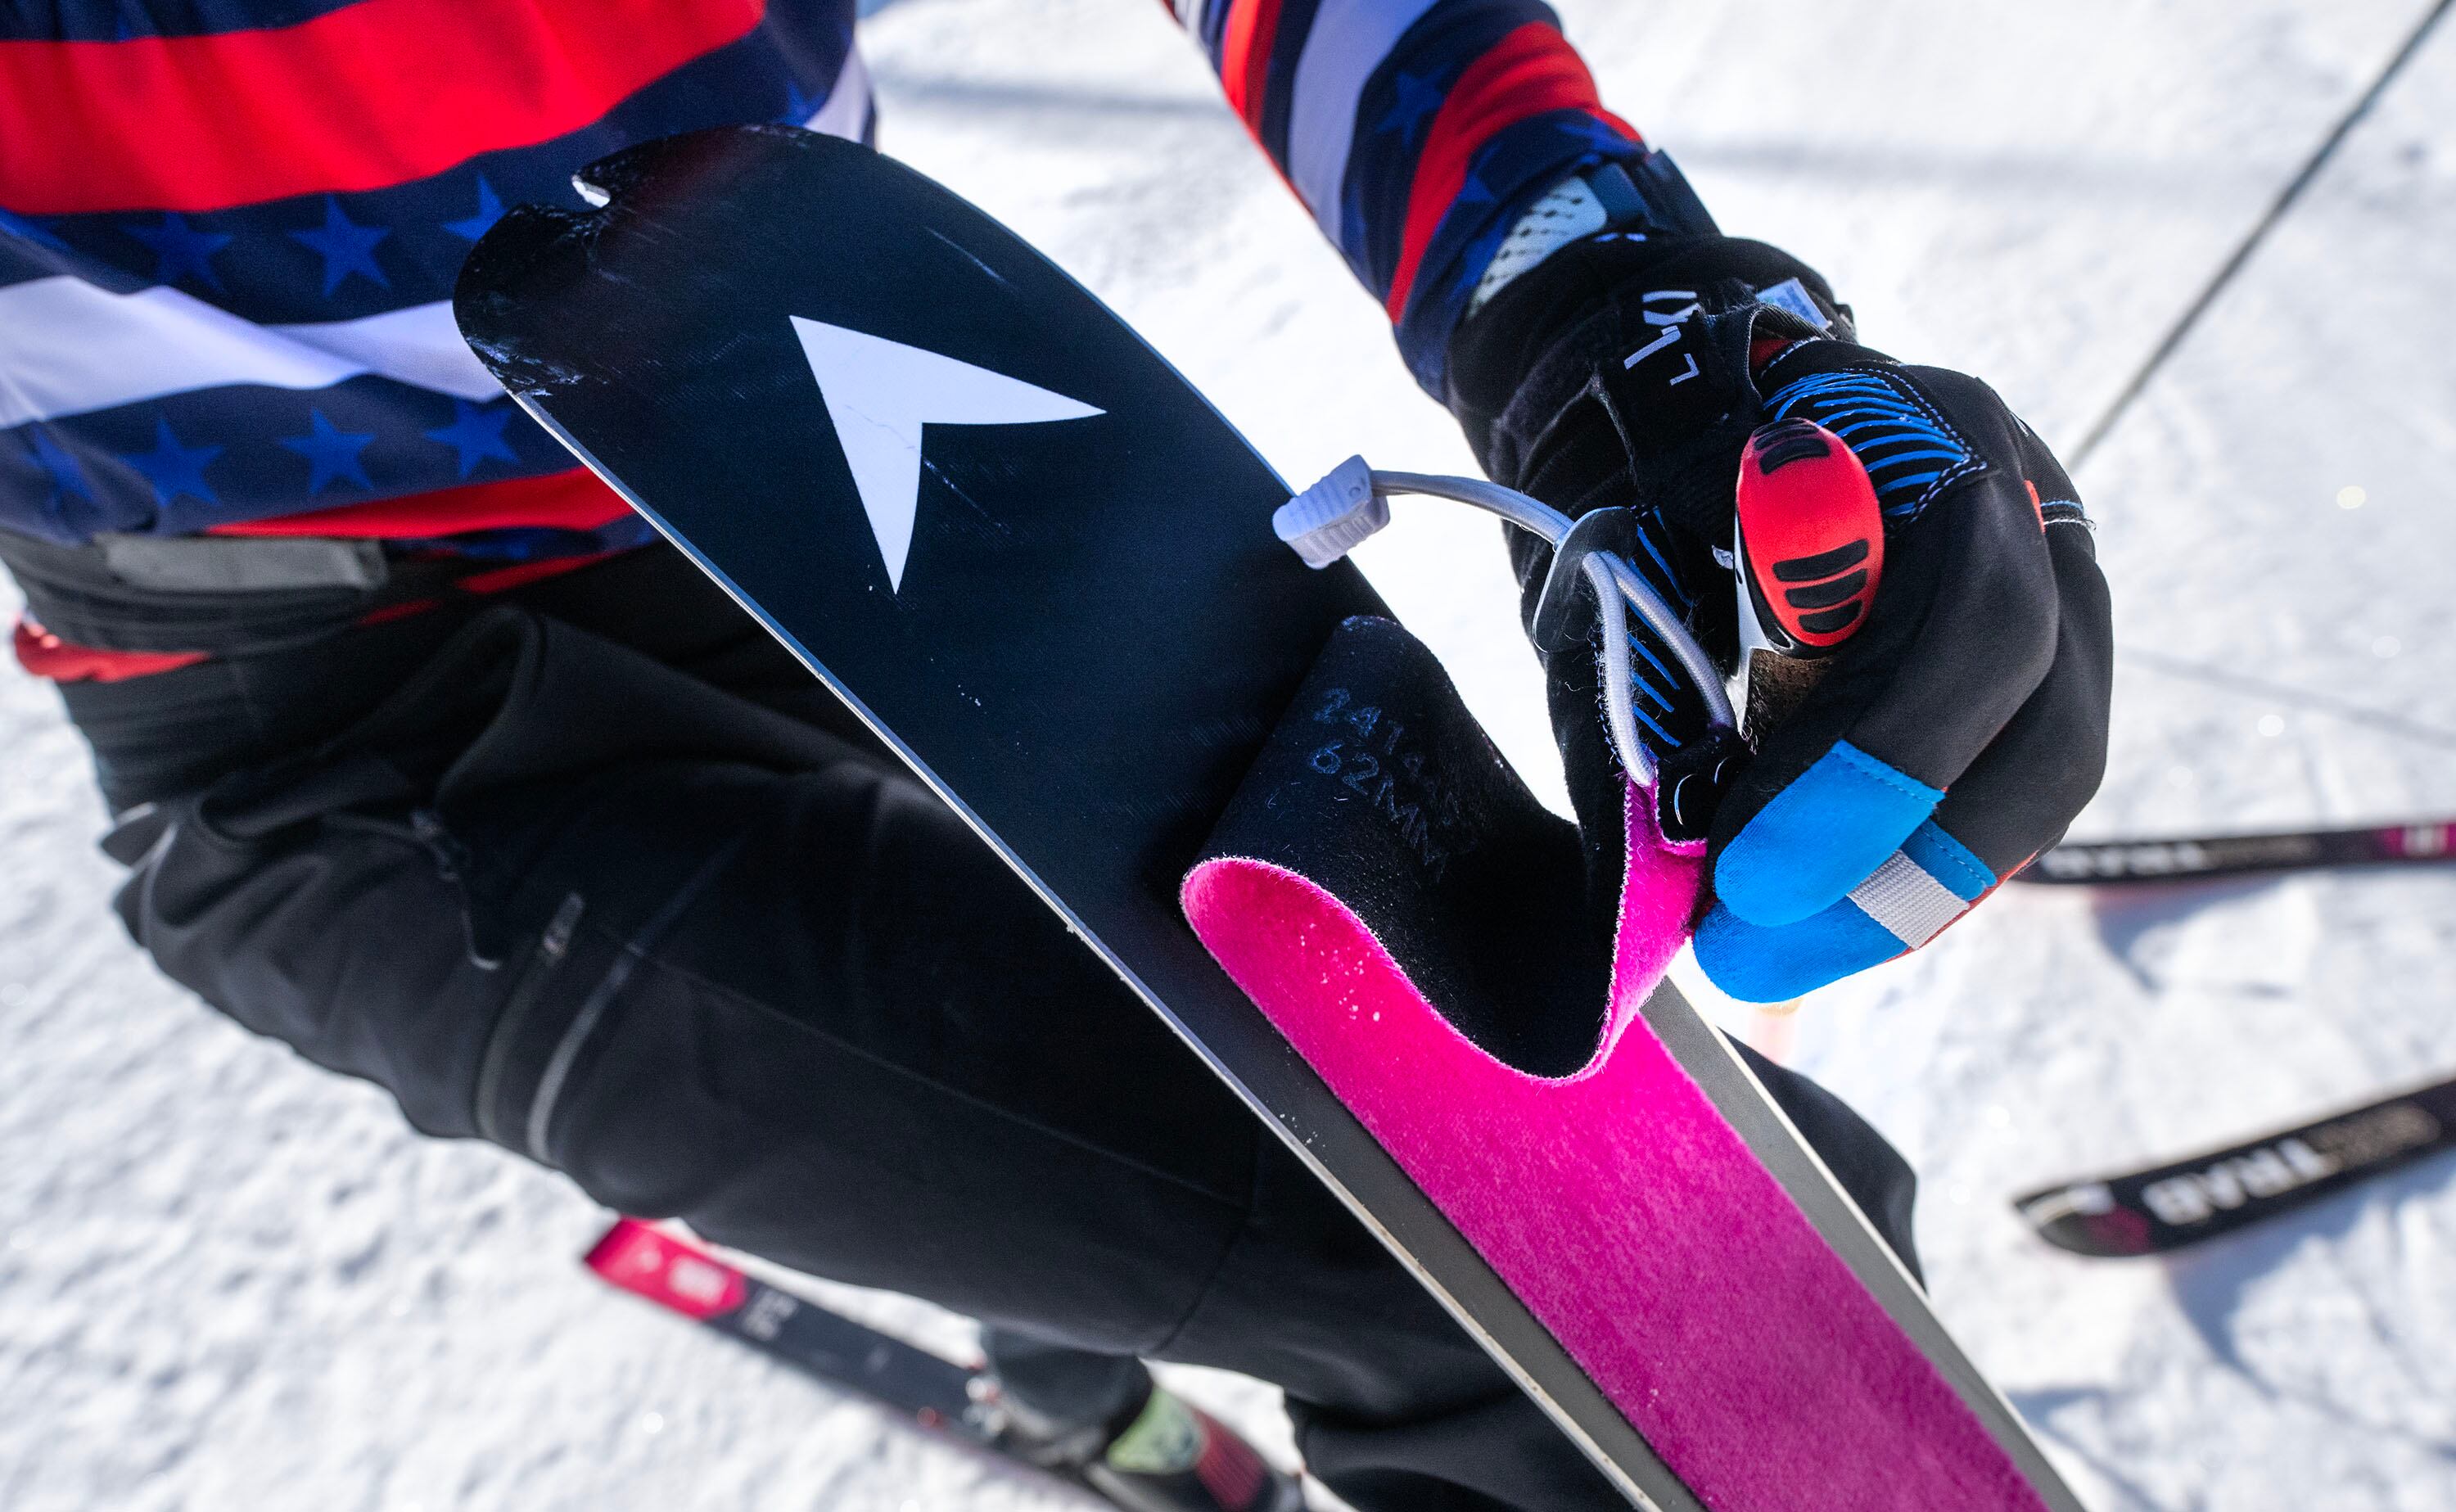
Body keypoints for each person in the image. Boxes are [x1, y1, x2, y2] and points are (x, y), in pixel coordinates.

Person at [0, 3, 2110, 1510]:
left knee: (1201, 1094)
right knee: (1630, 1320)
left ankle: (1050, 1367)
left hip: (792, 444)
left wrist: (1603, 308)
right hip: (348, 723)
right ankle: (1068, 1380)